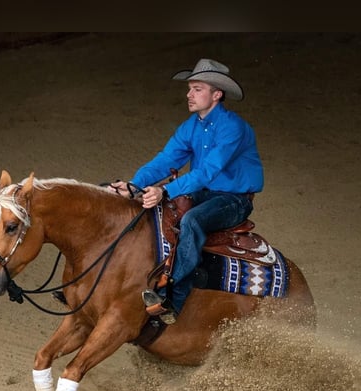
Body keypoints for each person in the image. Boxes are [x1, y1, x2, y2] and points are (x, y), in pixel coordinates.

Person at [110, 58, 264, 324]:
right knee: (152, 213)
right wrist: (135, 185)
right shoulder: (191, 126)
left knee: (192, 220)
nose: (189, 94)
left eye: (197, 89)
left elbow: (208, 172)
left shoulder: (232, 127)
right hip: (204, 193)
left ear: (217, 95)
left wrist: (166, 191)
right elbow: (166, 159)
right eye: (190, 88)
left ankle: (173, 297)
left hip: (233, 200)